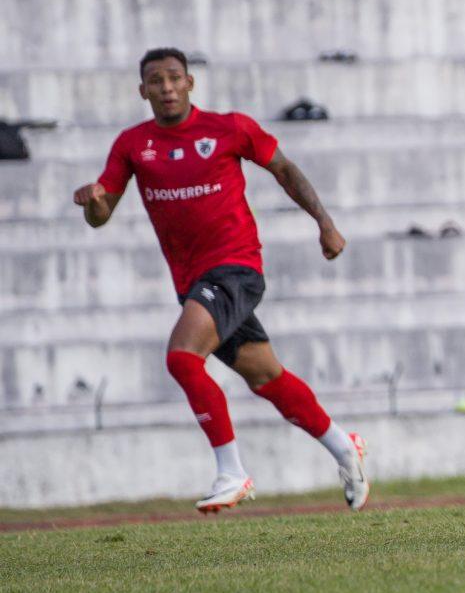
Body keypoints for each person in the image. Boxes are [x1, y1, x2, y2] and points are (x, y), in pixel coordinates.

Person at [71, 48, 367, 514]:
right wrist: (92, 200)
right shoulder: (132, 144)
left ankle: (232, 471)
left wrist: (324, 223)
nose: (166, 88)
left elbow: (284, 169)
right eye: (155, 81)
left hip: (236, 267)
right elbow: (100, 215)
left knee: (182, 357)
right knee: (266, 376)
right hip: (192, 281)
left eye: (173, 78)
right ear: (142, 91)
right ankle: (343, 445)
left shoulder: (229, 128)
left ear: (190, 83)